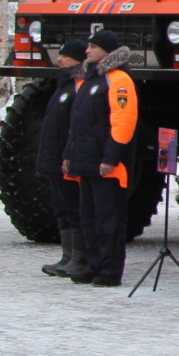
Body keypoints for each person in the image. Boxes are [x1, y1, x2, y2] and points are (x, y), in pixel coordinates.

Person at [63, 30, 137, 287]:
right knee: (89, 218)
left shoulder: (118, 79)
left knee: (108, 221)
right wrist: (69, 155)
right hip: (86, 162)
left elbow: (123, 122)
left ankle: (109, 270)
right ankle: (93, 266)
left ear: (107, 51)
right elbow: (77, 124)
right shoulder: (90, 80)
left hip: (107, 166)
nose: (87, 50)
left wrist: (110, 158)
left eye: (93, 47)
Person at [37, 39, 89, 278]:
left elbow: (75, 127)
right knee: (62, 209)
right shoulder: (62, 86)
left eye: (65, 56)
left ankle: (79, 257)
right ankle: (67, 255)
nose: (59, 59)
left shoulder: (78, 86)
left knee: (73, 208)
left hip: (67, 159)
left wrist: (68, 155)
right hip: (56, 158)